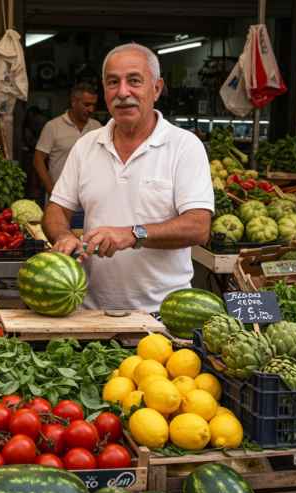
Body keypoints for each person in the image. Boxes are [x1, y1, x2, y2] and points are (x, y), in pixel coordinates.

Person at [42, 43, 213, 312]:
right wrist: (63, 235)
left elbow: (198, 226)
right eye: (113, 82)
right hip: (90, 313)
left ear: (156, 88)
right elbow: (56, 209)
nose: (123, 92)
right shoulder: (87, 145)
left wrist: (133, 234)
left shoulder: (184, 146)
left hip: (163, 315)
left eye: (134, 80)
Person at [33, 83, 101, 195]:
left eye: (94, 105)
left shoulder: (96, 127)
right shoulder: (53, 126)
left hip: (88, 198)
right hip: (60, 196)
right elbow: (38, 160)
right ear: (74, 102)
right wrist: (51, 190)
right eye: (87, 105)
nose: (91, 109)